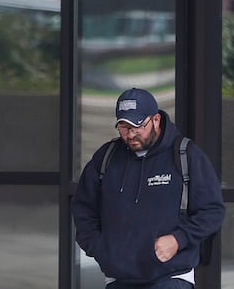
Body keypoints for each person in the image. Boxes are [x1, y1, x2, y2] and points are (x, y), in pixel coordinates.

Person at [73, 88, 225, 289]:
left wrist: (178, 239)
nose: (131, 134)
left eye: (138, 126)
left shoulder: (186, 155)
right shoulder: (106, 157)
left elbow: (212, 211)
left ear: (156, 120)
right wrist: (101, 249)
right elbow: (84, 209)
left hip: (170, 277)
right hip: (119, 278)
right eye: (124, 127)